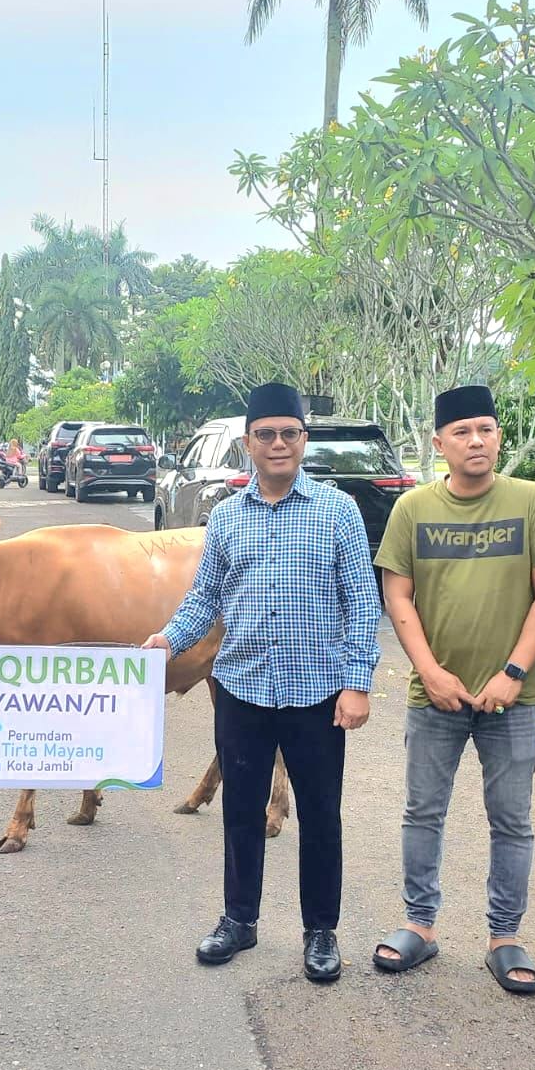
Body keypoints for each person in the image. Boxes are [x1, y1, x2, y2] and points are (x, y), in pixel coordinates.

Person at [143, 382, 380, 983]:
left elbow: (362, 601)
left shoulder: (337, 511)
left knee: (321, 815)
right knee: (242, 811)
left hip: (317, 693)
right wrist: (167, 639)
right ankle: (239, 919)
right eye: (266, 434)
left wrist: (357, 684)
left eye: (289, 433)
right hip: (243, 690)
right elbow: (206, 597)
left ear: (304, 439)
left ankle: (320, 930)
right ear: (248, 443)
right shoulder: (224, 516)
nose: (278, 444)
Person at [371, 384, 535, 995]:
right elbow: (397, 595)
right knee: (422, 813)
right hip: (432, 697)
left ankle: (505, 937)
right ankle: (420, 925)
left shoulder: (532, 502)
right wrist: (430, 671)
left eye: (485, 428)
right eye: (462, 432)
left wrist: (515, 673)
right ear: (440, 444)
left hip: (509, 699)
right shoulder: (412, 510)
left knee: (511, 819)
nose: (476, 440)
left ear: (499, 437)